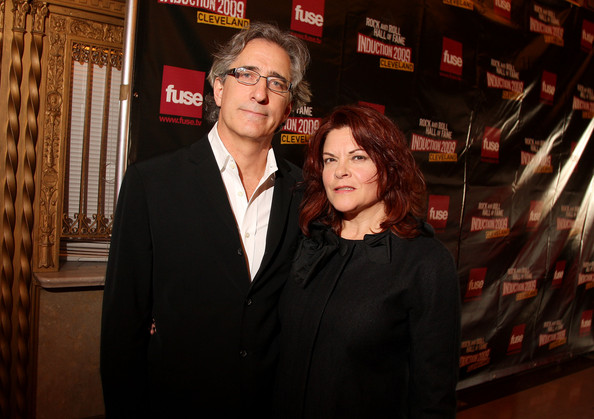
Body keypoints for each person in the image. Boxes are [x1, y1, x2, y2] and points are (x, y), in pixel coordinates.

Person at [100, 22, 311, 418]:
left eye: (277, 83)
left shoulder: (304, 192)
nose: (260, 93)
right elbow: (122, 330)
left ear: (288, 108)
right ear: (218, 87)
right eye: (246, 74)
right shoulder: (152, 183)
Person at [274, 105, 461, 418]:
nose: (340, 171)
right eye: (330, 160)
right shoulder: (310, 240)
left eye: (357, 157)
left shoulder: (425, 262)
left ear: (388, 164)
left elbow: (434, 397)